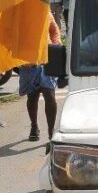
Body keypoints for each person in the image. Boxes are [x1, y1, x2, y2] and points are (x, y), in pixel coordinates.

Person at [19, 9, 62, 141]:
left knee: (50, 96)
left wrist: (56, 45)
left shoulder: (45, 10)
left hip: (46, 60)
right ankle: (34, 126)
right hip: (28, 63)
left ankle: (50, 132)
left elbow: (54, 30)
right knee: (32, 97)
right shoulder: (21, 12)